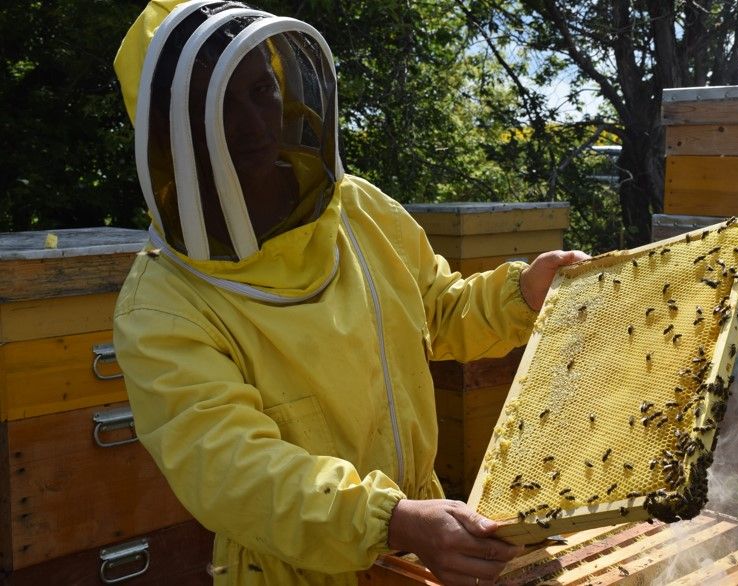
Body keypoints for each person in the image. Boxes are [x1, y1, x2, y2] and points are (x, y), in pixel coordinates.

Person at [112, 1, 589, 584]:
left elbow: (437, 310)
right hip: (293, 572)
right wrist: (394, 520)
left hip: (417, 549)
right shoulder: (163, 306)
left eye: (260, 89)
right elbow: (236, 473)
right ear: (169, 130)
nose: (254, 124)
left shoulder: (357, 209)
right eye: (217, 107)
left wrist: (521, 294)